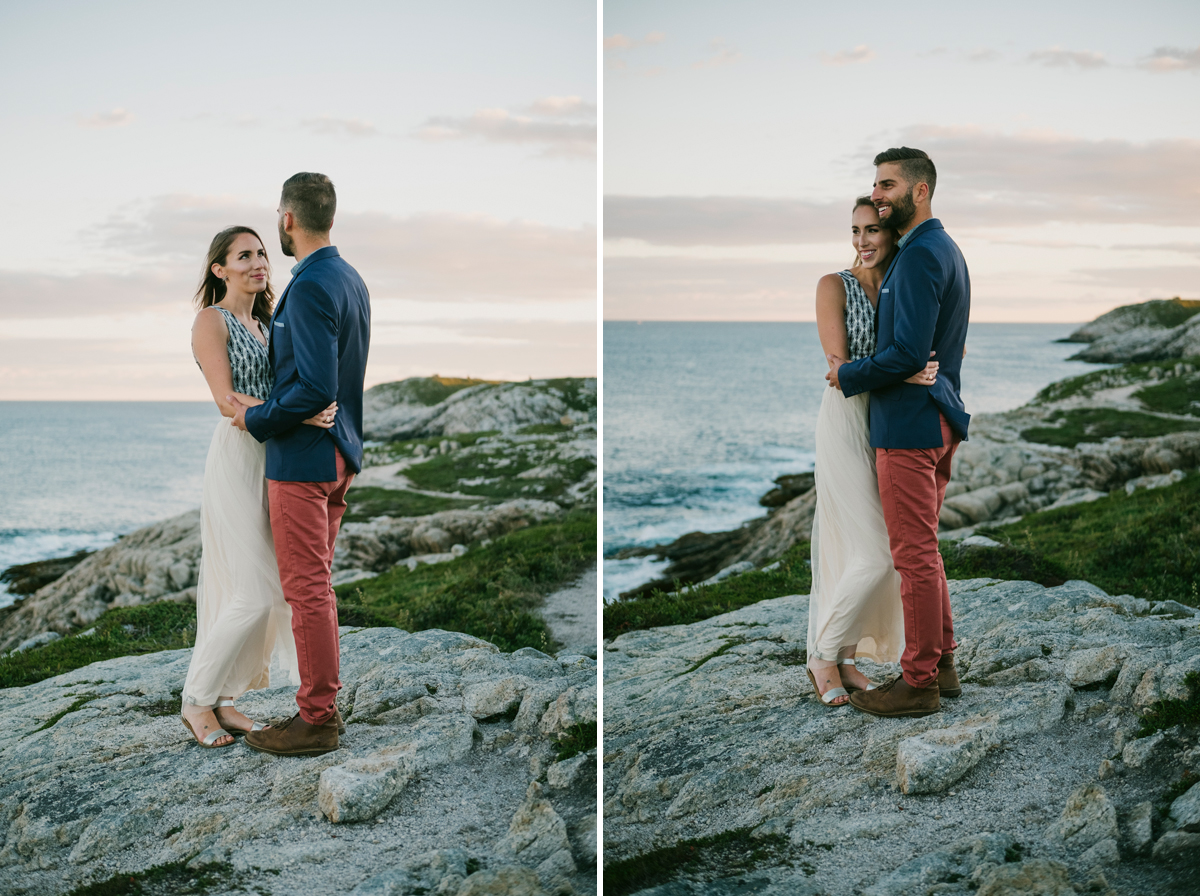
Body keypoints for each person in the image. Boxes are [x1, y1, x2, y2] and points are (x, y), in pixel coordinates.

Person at [230, 172, 371, 757]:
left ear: (287, 218)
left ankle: (316, 719)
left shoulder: (311, 284)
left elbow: (314, 385)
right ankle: (322, 706)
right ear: (329, 216)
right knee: (318, 587)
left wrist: (256, 419)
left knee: (307, 589)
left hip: (304, 463)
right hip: (339, 455)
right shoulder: (349, 278)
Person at [826, 147, 971, 718]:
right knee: (925, 552)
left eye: (887, 185)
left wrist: (846, 374)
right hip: (935, 416)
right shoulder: (943, 249)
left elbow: (908, 353)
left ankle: (918, 683)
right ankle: (943, 663)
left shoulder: (916, 258)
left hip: (909, 426)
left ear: (919, 191)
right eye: (875, 184)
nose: (878, 194)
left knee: (912, 555)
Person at [181, 225, 337, 749]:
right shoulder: (212, 320)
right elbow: (226, 400)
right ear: (219, 270)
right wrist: (298, 415)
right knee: (252, 590)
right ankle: (196, 701)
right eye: (243, 256)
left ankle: (227, 699)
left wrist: (307, 411)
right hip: (237, 457)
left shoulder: (268, 323)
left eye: (261, 252)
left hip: (276, 457)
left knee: (270, 593)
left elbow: (294, 388)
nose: (257, 262)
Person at [806, 198, 938, 707]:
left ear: (892, 233)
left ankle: (845, 657)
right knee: (876, 551)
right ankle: (821, 655)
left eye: (872, 230)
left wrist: (927, 364)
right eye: (855, 230)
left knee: (862, 547)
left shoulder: (903, 285)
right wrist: (906, 369)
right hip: (845, 419)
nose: (862, 240)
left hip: (887, 421)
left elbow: (941, 345)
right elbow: (840, 366)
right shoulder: (832, 285)